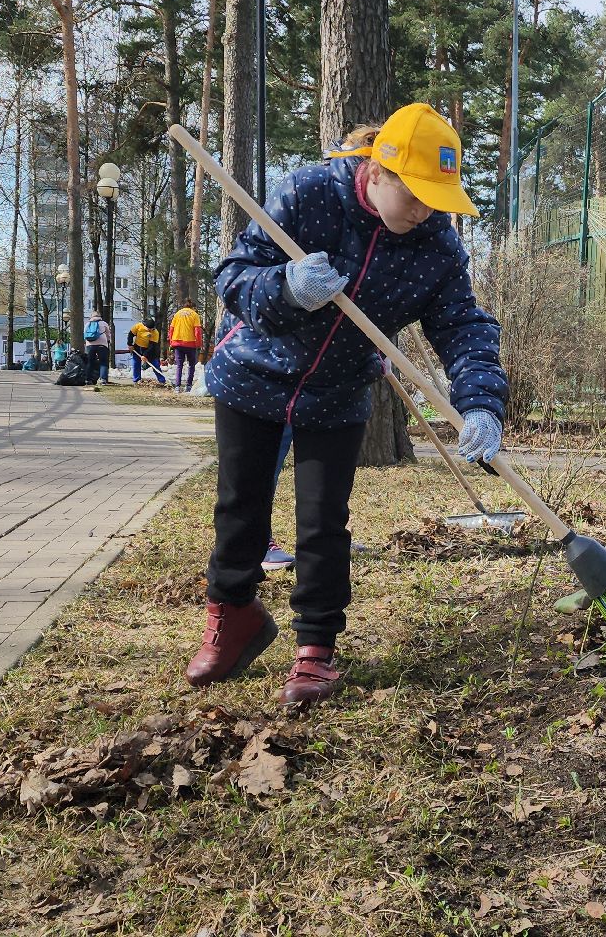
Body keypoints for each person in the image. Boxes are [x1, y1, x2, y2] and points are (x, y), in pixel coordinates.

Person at [186, 102, 507, 707]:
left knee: (322, 521)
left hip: (337, 391)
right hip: (254, 374)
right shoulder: (309, 194)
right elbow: (232, 276)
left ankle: (315, 648)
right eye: (415, 194)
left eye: (437, 197)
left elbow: (464, 326)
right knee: (239, 509)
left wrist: (481, 403)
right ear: (378, 173)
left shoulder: (436, 244)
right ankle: (234, 618)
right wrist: (283, 289)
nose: (426, 210)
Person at [169, 299, 204, 393]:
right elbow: (197, 331)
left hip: (177, 342)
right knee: (191, 365)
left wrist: (171, 342)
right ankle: (188, 385)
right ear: (193, 307)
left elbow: (171, 329)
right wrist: (199, 344)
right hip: (190, 343)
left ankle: (177, 386)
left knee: (179, 365)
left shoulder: (177, 314)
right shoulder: (194, 315)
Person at [127, 318, 163, 382]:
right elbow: (130, 334)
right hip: (137, 347)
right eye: (149, 329)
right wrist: (130, 344)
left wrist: (145, 355)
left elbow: (152, 346)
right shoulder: (138, 326)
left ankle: (162, 380)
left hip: (149, 350)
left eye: (152, 329)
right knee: (136, 364)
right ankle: (137, 380)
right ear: (145, 326)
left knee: (155, 364)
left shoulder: (155, 332)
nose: (150, 330)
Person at [83, 311, 113, 385]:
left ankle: (88, 379)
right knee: (103, 362)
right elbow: (108, 334)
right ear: (99, 316)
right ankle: (103, 379)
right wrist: (108, 341)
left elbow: (85, 334)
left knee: (90, 362)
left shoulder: (87, 324)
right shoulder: (104, 323)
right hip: (102, 344)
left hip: (90, 344)